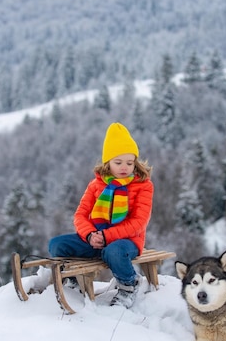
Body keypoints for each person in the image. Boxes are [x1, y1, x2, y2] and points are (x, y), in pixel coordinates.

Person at [48, 122, 154, 308]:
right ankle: (73, 281)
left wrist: (107, 236)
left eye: (130, 163)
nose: (124, 168)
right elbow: (80, 215)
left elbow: (139, 222)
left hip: (127, 241)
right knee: (57, 245)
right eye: (118, 162)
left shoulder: (143, 186)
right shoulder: (96, 185)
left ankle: (129, 284)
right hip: (95, 239)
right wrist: (90, 235)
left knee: (113, 251)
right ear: (108, 163)